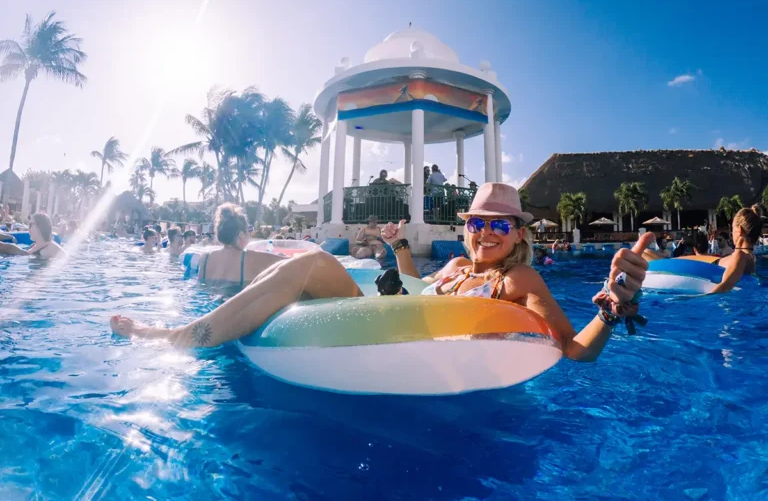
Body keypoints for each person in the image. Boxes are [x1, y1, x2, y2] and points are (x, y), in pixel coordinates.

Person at [110, 183, 654, 359]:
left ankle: (183, 336)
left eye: (502, 226)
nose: (488, 232)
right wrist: (397, 254)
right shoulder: (461, 264)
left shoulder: (519, 281)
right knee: (298, 265)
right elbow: (416, 287)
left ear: (519, 234)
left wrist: (614, 298)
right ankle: (203, 328)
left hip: (396, 335)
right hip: (384, 312)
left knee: (315, 262)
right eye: (480, 221)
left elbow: (572, 351)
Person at [195, 203, 283, 285]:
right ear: (241, 235)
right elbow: (292, 262)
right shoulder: (250, 258)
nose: (249, 235)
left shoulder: (205, 258)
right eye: (248, 232)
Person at [0, 213, 65, 258]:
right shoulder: (34, 246)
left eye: (31, 225)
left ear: (40, 227)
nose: (28, 228)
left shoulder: (49, 250)